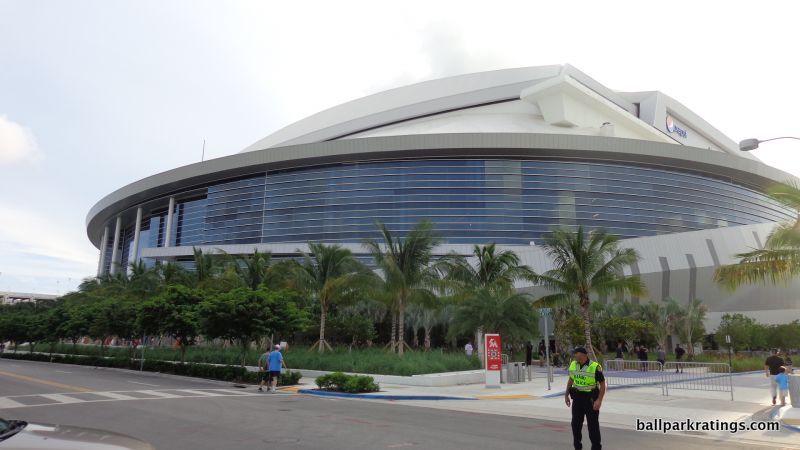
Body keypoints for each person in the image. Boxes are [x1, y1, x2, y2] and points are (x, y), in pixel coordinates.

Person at [565, 347, 606, 450]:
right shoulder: (573, 364)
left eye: (576, 353)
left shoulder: (594, 367)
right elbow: (571, 379)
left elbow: (603, 384)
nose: (574, 355)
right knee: (575, 425)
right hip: (577, 399)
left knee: (593, 426)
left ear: (583, 354)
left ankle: (596, 448)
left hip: (590, 399)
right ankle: (577, 447)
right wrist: (566, 395)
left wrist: (599, 400)